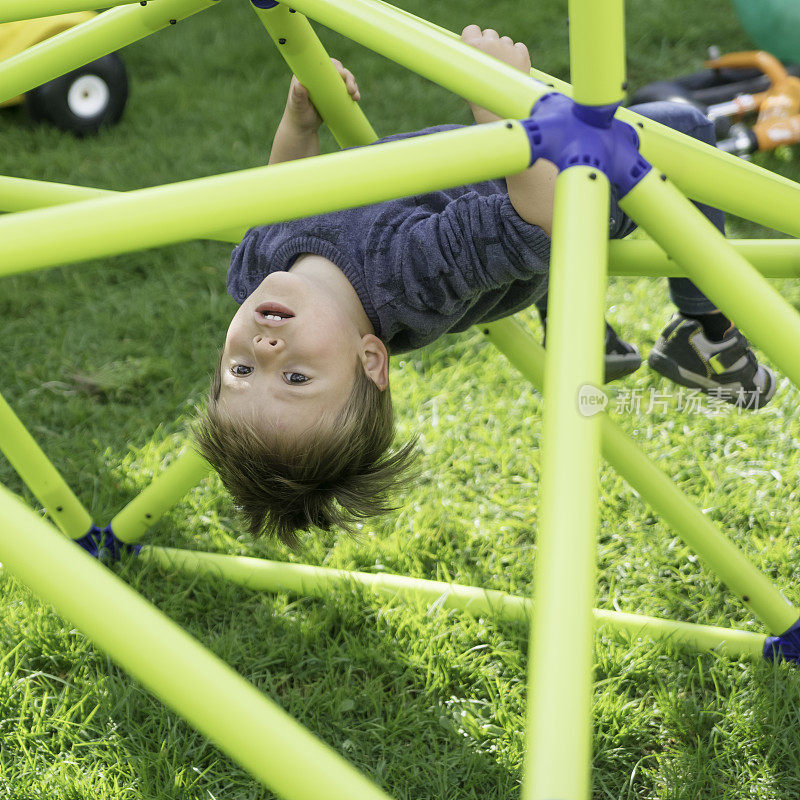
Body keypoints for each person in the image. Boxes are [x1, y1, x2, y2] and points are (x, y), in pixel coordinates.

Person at [194, 26, 776, 548]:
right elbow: (542, 226)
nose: (264, 352)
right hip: (548, 197)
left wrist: (299, 124)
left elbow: (285, 195)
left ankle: (584, 334)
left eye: (240, 373)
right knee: (689, 137)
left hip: (502, 194)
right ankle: (705, 334)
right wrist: (500, 103)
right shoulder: (408, 278)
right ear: (371, 360)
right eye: (296, 379)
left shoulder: (254, 275)